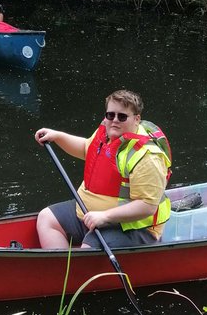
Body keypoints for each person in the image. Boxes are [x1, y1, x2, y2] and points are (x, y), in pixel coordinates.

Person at [34, 90, 172, 250]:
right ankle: (64, 270)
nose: (114, 120)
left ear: (136, 119)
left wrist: (105, 216)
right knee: (47, 218)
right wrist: (57, 136)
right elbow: (87, 149)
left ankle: (79, 270)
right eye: (110, 115)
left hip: (131, 227)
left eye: (122, 116)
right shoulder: (107, 133)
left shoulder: (148, 157)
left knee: (88, 248)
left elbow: (147, 206)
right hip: (89, 213)